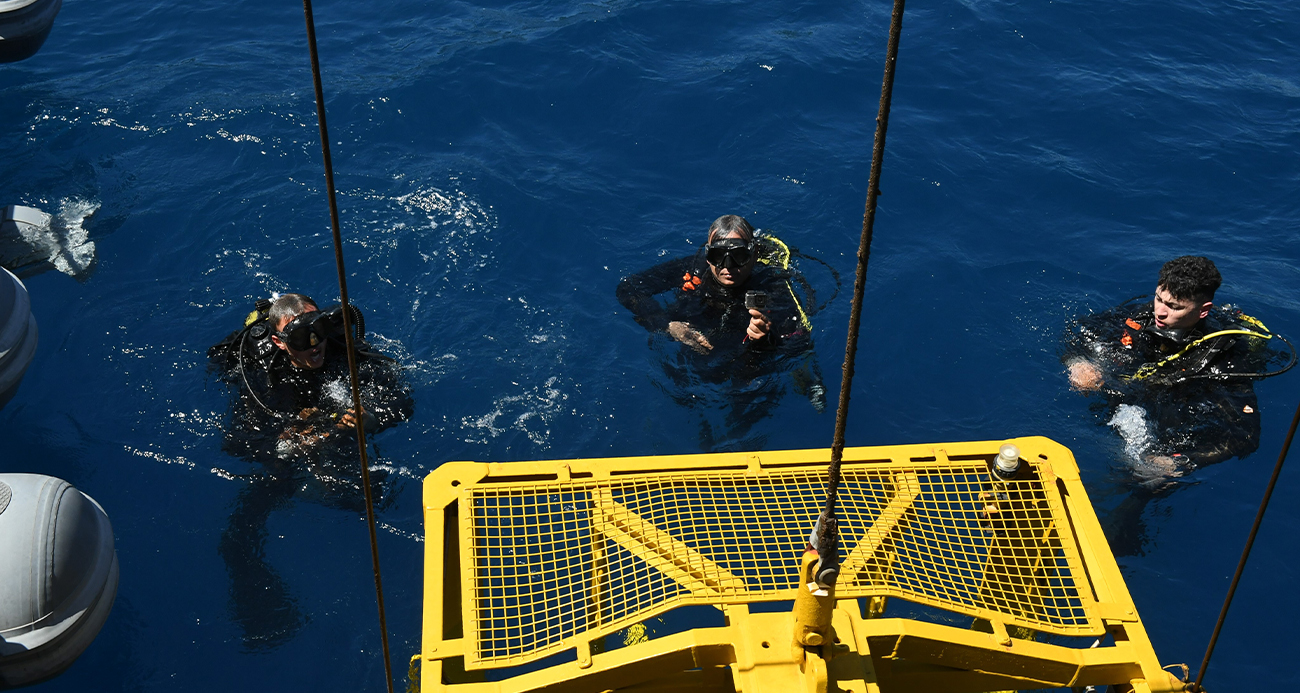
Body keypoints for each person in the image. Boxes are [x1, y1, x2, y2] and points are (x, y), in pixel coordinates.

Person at [207, 292, 414, 648]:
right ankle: (253, 586)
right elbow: (238, 442)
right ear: (280, 342)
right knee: (274, 485)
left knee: (366, 495)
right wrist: (286, 443)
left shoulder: (339, 347)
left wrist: (371, 419)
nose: (316, 344)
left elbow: (401, 399)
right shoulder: (266, 374)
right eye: (303, 338)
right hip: (289, 436)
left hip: (333, 430)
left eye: (318, 329)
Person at [1061, 256, 1294, 556]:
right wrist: (1078, 363)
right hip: (1136, 391)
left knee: (1147, 474)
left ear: (1203, 310)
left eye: (1174, 307)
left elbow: (1246, 435)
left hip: (1184, 403)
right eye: (1159, 298)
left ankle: (1120, 530)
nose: (1160, 311)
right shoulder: (1143, 315)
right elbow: (1081, 333)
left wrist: (1181, 461)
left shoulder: (1224, 359)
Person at [617, 215, 825, 449]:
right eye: (718, 256)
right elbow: (628, 289)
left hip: (748, 362)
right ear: (708, 256)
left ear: (754, 255)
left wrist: (767, 339)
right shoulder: (694, 270)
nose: (728, 266)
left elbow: (801, 342)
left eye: (739, 256)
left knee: (747, 403)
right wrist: (667, 325)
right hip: (698, 351)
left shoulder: (772, 285)